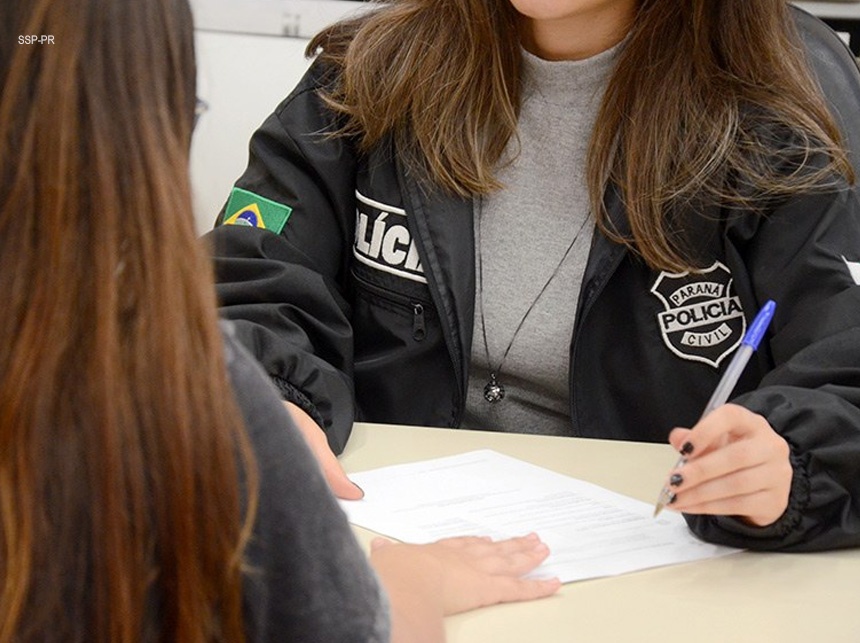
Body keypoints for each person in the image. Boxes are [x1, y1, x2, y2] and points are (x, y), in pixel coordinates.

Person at [207, 0, 860, 553]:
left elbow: (846, 364)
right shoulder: (364, 74)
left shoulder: (785, 102)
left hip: (659, 559)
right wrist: (268, 398)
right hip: (386, 536)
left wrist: (793, 463)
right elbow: (246, 268)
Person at [0, 0, 561, 641]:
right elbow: (255, 272)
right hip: (376, 523)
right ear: (158, 122)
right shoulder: (155, 392)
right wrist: (414, 582)